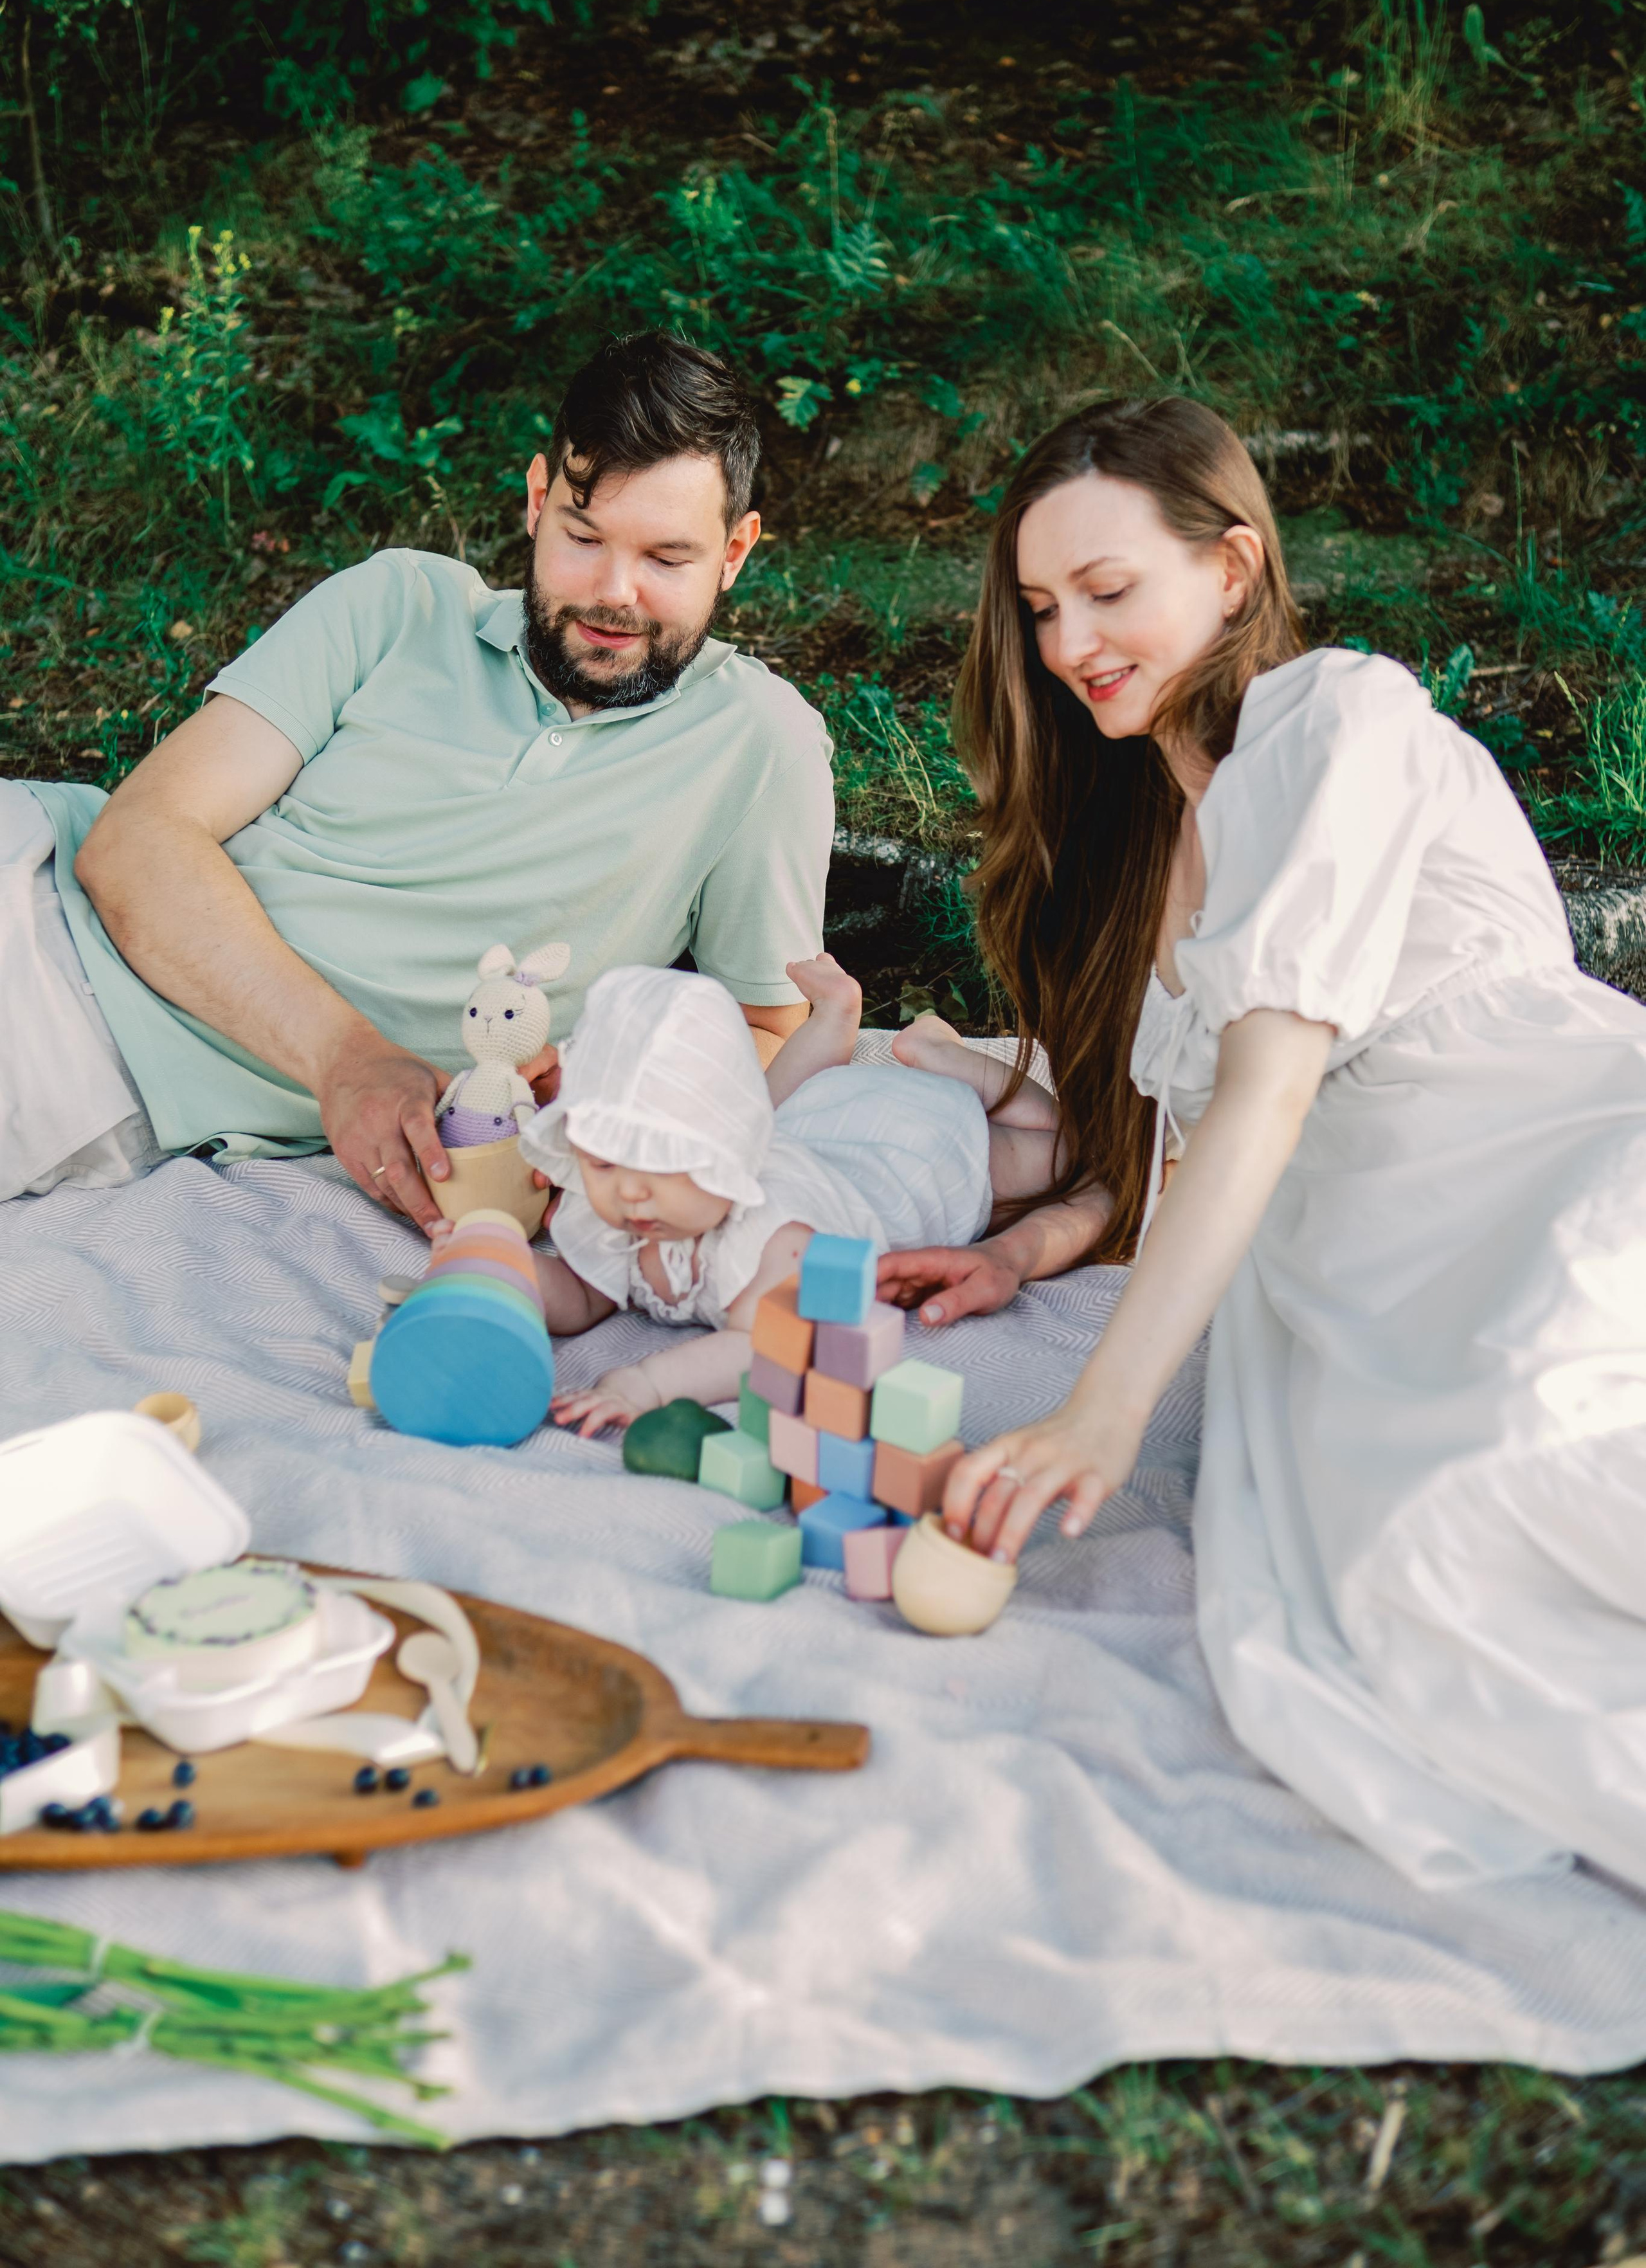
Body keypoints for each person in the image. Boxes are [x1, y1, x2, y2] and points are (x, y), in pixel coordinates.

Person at [881, 394, 1646, 1895]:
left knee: (1516, 1471)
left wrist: (1100, 1416)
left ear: (1231, 570)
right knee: (1392, 1591)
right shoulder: (1165, 829)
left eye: (1108, 591)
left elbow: (1269, 1094)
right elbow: (1172, 1145)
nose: (1066, 641)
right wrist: (1021, 1248)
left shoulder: (1329, 718)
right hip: (1355, 1284)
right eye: (1041, 607)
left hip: (1529, 1169)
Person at [4, 332, 833, 1228]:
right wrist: (347, 1061)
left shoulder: (759, 743)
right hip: (37, 892)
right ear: (535, 500)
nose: (614, 594)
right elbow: (137, 839)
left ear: (736, 552)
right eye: (583, 538)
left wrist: (599, 1110)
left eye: (668, 559)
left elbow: (767, 1031)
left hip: (93, 1057)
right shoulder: (399, 603)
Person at [530, 953, 1056, 1434]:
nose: (629, 1193)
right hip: (813, 1126)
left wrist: (646, 1384)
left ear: (725, 1150)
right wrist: (496, 1260)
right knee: (780, 1108)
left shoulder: (780, 1237)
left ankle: (935, 1049)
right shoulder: (623, 1208)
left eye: (663, 1163)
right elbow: (579, 1297)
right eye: (601, 1162)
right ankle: (843, 1019)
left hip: (914, 1150)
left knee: (1061, 1147)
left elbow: (760, 1345)